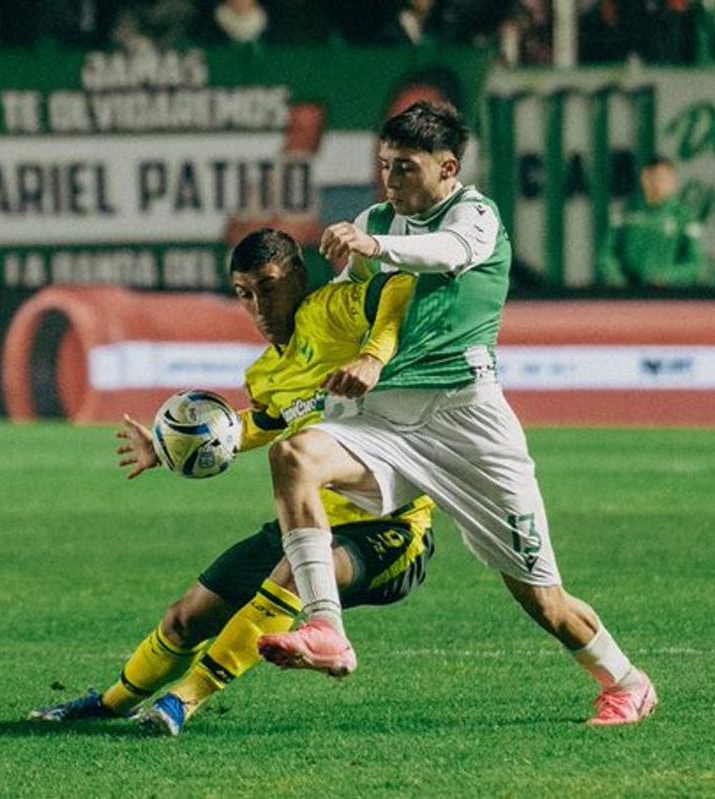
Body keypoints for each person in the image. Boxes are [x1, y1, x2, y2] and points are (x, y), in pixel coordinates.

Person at [257, 101, 657, 726]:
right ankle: (327, 630)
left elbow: (444, 253)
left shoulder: (475, 217)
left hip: (469, 425)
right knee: (294, 456)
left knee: (542, 600)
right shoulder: (379, 218)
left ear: (448, 167)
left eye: (406, 168)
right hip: (387, 420)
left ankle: (626, 681)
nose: (390, 181)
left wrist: (372, 243)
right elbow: (349, 299)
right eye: (385, 166)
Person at [30, 229, 435, 736]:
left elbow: (400, 284)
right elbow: (265, 423)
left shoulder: (332, 310)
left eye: (269, 286)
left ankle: (185, 701)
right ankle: (109, 702)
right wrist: (168, 446)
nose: (259, 305)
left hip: (390, 528)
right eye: (245, 292)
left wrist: (374, 355)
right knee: (186, 618)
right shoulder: (266, 372)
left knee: (293, 570)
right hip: (308, 521)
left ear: (298, 279)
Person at [597, 155, 704, 289]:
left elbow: (697, 264)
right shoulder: (626, 211)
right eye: (652, 178)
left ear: (674, 182)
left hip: (669, 298)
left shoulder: (684, 217)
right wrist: (618, 281)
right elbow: (606, 254)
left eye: (664, 179)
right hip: (628, 298)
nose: (657, 184)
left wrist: (667, 277)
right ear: (643, 179)